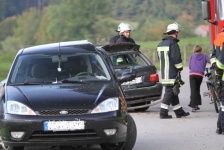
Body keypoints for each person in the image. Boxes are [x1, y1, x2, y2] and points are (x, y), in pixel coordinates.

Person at [157, 22, 190, 119]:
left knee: (173, 91)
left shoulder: (160, 44)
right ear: (175, 33)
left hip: (164, 73)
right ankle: (163, 113)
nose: (178, 34)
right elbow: (176, 59)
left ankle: (179, 112)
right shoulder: (173, 44)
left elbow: (161, 59)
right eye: (178, 32)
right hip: (172, 72)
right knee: (169, 92)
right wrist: (180, 68)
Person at [188, 45, 210, 112]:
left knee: (193, 90)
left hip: (192, 74)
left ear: (194, 50)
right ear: (201, 50)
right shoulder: (204, 56)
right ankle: (197, 104)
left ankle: (193, 106)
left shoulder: (192, 56)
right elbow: (211, 61)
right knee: (197, 89)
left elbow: (189, 66)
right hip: (200, 75)